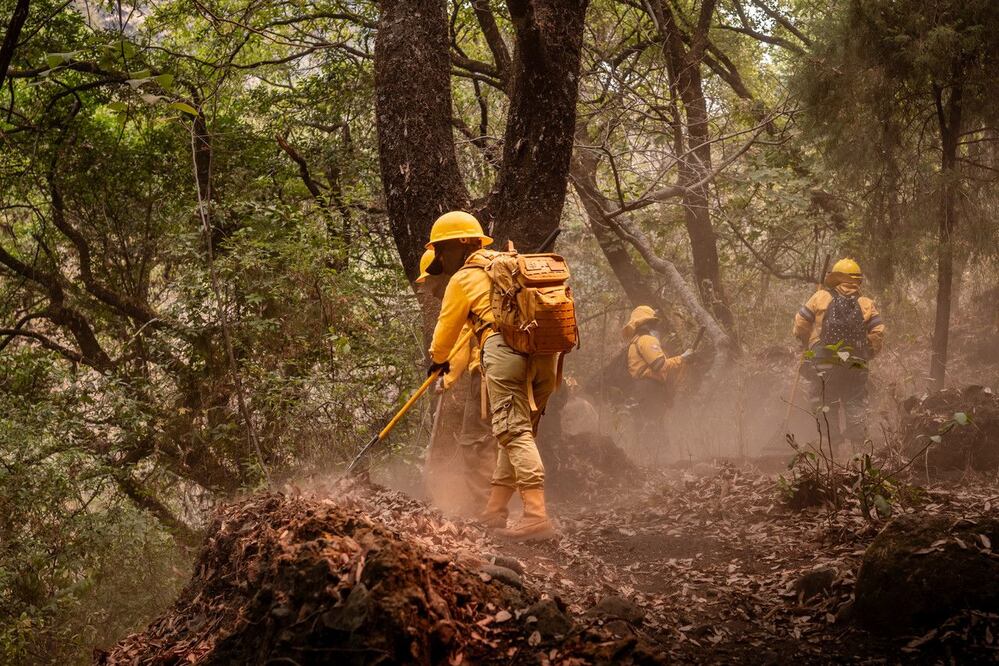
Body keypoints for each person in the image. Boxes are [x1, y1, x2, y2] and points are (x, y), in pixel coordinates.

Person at [426, 210, 558, 541]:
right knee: (512, 434)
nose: (441, 258)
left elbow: (445, 334)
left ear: (462, 244)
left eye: (442, 250)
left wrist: (437, 362)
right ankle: (494, 510)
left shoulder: (463, 278)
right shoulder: (511, 262)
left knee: (513, 433)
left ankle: (536, 516)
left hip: (504, 349)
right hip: (546, 351)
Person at [415, 248, 497, 514]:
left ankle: (488, 509)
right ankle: (504, 505)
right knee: (506, 436)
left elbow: (454, 341)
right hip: (517, 367)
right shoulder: (488, 280)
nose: (431, 291)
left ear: (439, 273)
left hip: (488, 373)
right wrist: (448, 379)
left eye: (431, 283)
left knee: (475, 440)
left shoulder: (462, 286)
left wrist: (444, 374)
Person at [793, 258, 885, 454]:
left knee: (826, 402)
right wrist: (868, 353)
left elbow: (801, 323)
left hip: (824, 361)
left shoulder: (820, 297)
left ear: (834, 278)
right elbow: (877, 332)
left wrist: (805, 341)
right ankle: (858, 450)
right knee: (855, 400)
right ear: (857, 280)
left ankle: (833, 447)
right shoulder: (866, 303)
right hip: (856, 363)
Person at [621, 306, 692, 454]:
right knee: (654, 425)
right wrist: (682, 358)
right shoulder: (646, 340)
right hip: (649, 389)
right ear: (647, 323)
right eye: (653, 322)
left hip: (641, 389)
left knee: (648, 424)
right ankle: (658, 462)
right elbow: (659, 364)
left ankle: (649, 461)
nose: (656, 326)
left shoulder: (635, 342)